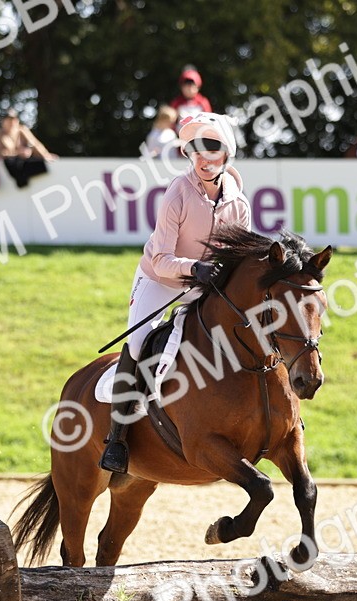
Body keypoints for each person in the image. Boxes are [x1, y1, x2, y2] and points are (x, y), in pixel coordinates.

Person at [99, 112, 251, 474]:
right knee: (138, 344)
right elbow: (163, 258)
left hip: (203, 287)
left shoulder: (239, 205)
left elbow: (238, 262)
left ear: (226, 155)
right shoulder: (177, 192)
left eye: (211, 149)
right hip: (160, 280)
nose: (202, 158)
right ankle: (117, 440)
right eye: (195, 150)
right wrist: (193, 268)